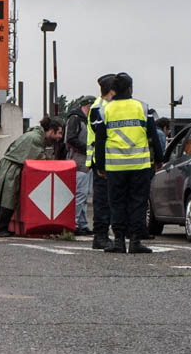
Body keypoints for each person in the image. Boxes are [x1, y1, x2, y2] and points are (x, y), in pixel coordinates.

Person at [92, 72, 163, 254]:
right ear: (130, 89)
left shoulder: (104, 110)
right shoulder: (142, 107)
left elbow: (100, 140)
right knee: (138, 203)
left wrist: (100, 165)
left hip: (115, 166)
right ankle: (136, 240)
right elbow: (154, 136)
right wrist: (159, 159)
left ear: (113, 90)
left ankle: (119, 241)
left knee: (116, 203)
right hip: (139, 166)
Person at [0, 116, 62, 237]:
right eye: (59, 133)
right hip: (12, 167)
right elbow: (39, 158)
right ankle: (0, 228)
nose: (60, 137)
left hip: (9, 165)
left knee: (3, 199)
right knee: (7, 199)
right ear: (51, 131)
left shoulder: (34, 135)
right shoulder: (36, 139)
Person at [85, 73, 118, 250]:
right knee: (103, 202)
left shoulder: (105, 106)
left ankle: (103, 235)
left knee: (108, 200)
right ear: (112, 91)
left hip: (109, 161)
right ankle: (100, 236)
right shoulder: (100, 108)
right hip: (101, 162)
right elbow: (101, 135)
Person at [64, 99, 92, 235]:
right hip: (78, 161)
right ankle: (75, 223)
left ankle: (82, 223)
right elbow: (70, 139)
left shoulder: (82, 120)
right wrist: (89, 149)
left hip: (84, 162)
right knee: (80, 194)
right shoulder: (76, 119)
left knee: (84, 194)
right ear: (88, 106)